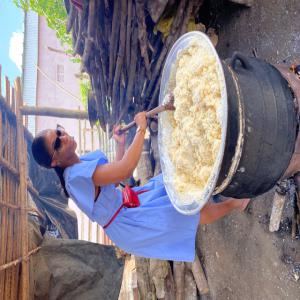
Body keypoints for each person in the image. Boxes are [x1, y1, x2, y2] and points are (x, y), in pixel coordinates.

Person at [31, 112, 249, 262]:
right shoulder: (74, 177)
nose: (64, 137)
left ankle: (221, 189)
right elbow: (125, 171)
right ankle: (233, 204)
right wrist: (141, 129)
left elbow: (113, 177)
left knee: (174, 189)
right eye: (57, 143)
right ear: (54, 162)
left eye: (59, 131)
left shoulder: (80, 163)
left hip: (128, 206)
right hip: (128, 223)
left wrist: (121, 144)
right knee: (187, 216)